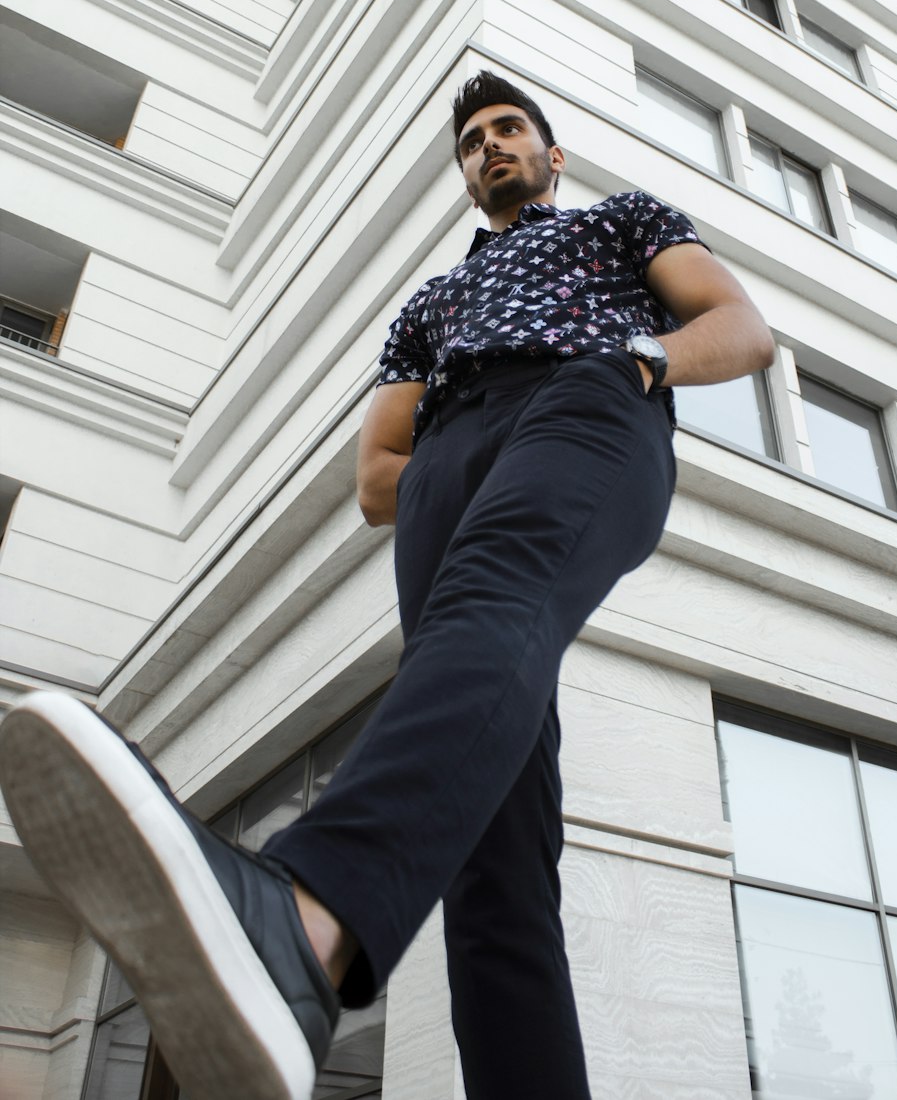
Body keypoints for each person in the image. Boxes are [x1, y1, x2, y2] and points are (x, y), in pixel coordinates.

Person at [0, 70, 774, 1100]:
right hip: (445, 465)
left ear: (552, 153)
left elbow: (739, 327)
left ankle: (306, 921)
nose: (489, 146)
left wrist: (630, 364)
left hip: (586, 402)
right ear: (464, 177)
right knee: (491, 851)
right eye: (472, 142)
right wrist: (446, 471)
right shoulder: (432, 302)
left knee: (498, 601)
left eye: (508, 130)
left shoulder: (618, 224)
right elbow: (374, 478)